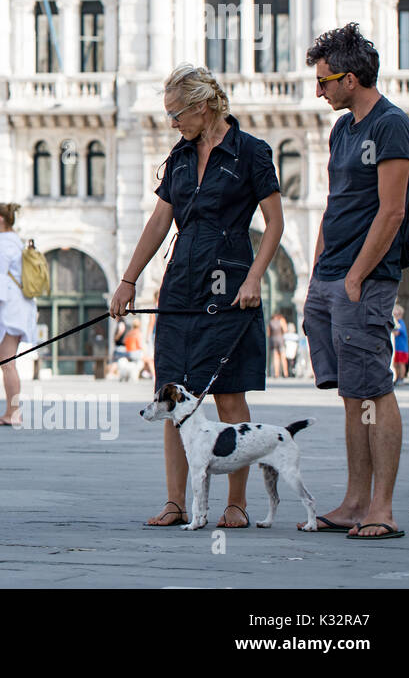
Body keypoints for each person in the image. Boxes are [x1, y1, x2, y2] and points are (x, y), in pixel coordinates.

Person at [111, 64, 283, 530]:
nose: (172, 122)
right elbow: (159, 220)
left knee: (228, 396)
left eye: (176, 113)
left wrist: (254, 279)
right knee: (169, 395)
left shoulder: (252, 152)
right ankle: (175, 502)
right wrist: (128, 280)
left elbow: (275, 224)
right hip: (181, 282)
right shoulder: (181, 157)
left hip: (230, 286)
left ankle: (236, 503)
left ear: (203, 105)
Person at [301, 24, 409, 538]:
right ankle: (353, 501)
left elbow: (392, 212)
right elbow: (335, 203)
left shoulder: (392, 125)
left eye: (325, 81)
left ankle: (381, 510)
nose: (319, 90)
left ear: (351, 78)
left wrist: (354, 277)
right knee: (353, 393)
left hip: (364, 280)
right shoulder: (342, 128)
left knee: (374, 392)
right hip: (331, 276)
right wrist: (319, 269)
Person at [0, 203, 39, 426]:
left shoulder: (3, 247)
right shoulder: (17, 244)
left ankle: (12, 413)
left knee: (7, 363)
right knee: (9, 363)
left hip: (8, 310)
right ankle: (12, 411)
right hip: (20, 307)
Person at [392, 306, 409, 385]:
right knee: (396, 364)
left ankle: (401, 378)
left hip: (402, 348)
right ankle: (397, 378)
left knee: (401, 363)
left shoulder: (400, 323)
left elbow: (396, 333)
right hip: (397, 348)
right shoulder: (397, 323)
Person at [269, 312, 289, 378]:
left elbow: (268, 333)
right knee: (283, 357)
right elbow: (285, 330)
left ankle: (276, 373)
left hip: (273, 340)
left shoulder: (271, 322)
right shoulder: (281, 320)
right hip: (280, 340)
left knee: (275, 357)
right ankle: (285, 373)